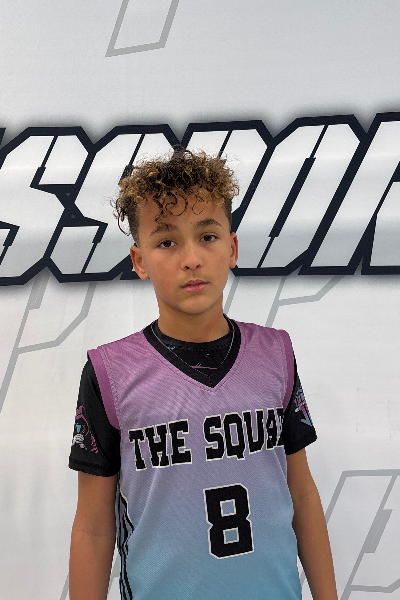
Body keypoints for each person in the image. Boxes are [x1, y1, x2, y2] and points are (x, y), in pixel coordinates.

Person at [69, 150, 338, 600]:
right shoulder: (109, 372)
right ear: (139, 260)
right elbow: (94, 528)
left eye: (207, 236)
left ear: (231, 248)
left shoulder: (276, 353)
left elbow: (302, 493)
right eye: (167, 242)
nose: (191, 258)